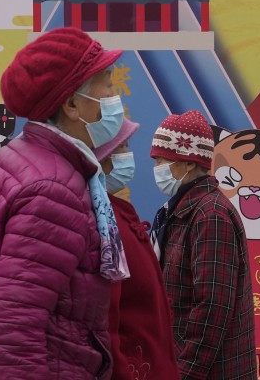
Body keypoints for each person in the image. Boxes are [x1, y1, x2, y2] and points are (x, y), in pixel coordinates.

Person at [0, 27, 129, 379]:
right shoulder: (52, 189)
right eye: (107, 84)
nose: (115, 95)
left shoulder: (28, 158)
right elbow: (13, 328)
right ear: (71, 104)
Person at [149, 111, 257, 380]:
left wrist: (184, 374)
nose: (157, 167)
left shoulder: (210, 216)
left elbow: (212, 309)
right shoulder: (179, 211)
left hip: (210, 372)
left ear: (187, 163)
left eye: (162, 160)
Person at [95, 119, 181, 380]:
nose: (129, 156)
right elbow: (106, 317)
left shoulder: (115, 213)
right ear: (102, 157)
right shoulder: (102, 220)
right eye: (123, 147)